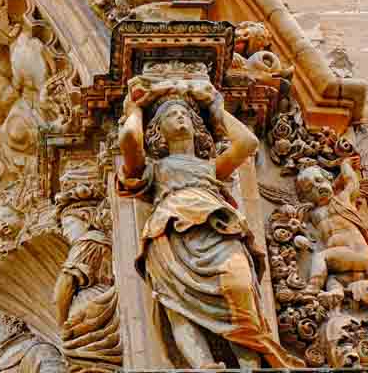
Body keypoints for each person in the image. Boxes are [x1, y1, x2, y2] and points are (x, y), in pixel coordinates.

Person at [118, 78, 299, 369]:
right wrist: (135, 107)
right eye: (169, 115)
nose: (179, 117)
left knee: (239, 290)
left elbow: (248, 143)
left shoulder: (210, 168)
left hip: (218, 225)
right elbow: (129, 139)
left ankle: (251, 364)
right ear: (157, 131)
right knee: (179, 305)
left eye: (184, 114)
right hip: (169, 231)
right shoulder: (155, 169)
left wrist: (215, 106)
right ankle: (202, 365)